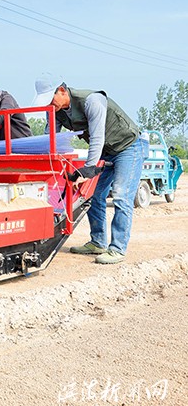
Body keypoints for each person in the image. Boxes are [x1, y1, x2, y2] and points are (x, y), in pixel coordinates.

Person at [33, 74, 148, 265]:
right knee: (93, 195)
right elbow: (50, 137)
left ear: (62, 90)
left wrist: (88, 169)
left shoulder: (92, 100)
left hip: (128, 147)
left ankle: (118, 249)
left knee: (121, 196)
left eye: (50, 99)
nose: (48, 105)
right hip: (106, 151)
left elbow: (96, 137)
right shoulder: (55, 109)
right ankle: (98, 242)